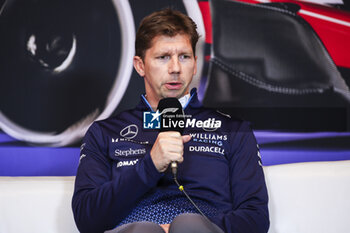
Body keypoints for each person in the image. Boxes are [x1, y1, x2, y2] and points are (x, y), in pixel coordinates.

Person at [72, 9, 269, 233]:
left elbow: (256, 220)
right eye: (163, 57)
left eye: (184, 57)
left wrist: (184, 227)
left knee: (188, 225)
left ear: (195, 64)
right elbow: (87, 220)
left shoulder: (234, 131)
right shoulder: (104, 132)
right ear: (140, 65)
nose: (175, 68)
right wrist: (150, 165)